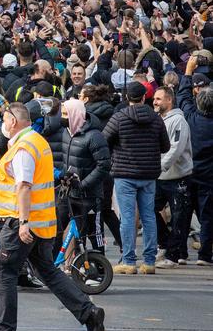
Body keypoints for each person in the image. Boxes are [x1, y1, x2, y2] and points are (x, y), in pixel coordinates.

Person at [0, 102, 105, 331]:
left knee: (3, 273)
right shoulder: (37, 141)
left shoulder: (23, 148)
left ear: (13, 121)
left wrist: (23, 222)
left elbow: (24, 186)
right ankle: (88, 313)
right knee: (47, 271)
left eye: (4, 119)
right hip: (41, 223)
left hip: (21, 223)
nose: (2, 125)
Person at [103, 81, 170, 275]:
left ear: (126, 98)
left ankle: (129, 260)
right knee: (149, 216)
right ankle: (149, 261)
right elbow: (165, 147)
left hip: (124, 173)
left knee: (128, 218)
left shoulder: (119, 118)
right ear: (144, 98)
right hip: (149, 174)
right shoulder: (156, 120)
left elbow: (103, 139)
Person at [56, 98, 111, 254]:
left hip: (90, 195)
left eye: (66, 114)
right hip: (69, 192)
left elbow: (104, 165)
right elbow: (64, 159)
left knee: (94, 233)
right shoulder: (66, 133)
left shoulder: (94, 136)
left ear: (75, 114)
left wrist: (83, 184)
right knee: (68, 230)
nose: (62, 117)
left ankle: (99, 269)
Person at [177, 60, 213, 266]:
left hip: (189, 172)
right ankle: (205, 255)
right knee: (207, 215)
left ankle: (180, 252)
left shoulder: (190, 117)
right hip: (209, 175)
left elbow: (182, 97)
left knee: (182, 214)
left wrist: (188, 73)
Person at [153, 85, 192, 268]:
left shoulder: (179, 121)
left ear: (169, 100)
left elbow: (175, 149)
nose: (155, 101)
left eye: (159, 98)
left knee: (179, 218)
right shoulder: (157, 119)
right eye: (154, 98)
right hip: (160, 177)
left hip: (178, 177)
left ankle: (174, 255)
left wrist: (160, 166)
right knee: (150, 210)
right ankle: (168, 243)